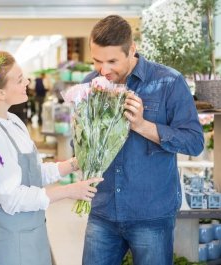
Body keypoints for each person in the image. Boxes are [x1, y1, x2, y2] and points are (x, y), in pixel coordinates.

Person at [81, 15, 204, 265]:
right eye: (97, 61)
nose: (104, 70)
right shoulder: (90, 85)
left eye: (112, 61)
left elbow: (194, 142)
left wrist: (142, 125)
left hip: (152, 213)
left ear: (132, 49)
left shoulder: (169, 82)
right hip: (103, 212)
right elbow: (81, 147)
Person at [0, 51, 103, 265]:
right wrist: (69, 191)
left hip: (29, 233)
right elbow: (12, 197)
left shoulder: (13, 121)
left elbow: (34, 173)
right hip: (4, 242)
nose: (27, 82)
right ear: (0, 93)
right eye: (19, 79)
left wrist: (74, 163)